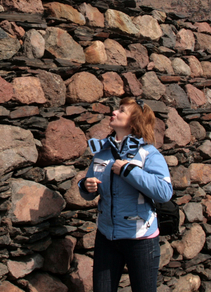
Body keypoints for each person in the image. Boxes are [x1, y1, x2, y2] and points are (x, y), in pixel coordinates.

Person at [78, 97, 173, 292]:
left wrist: (129, 171)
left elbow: (164, 192)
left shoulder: (149, 153)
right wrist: (85, 186)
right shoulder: (102, 153)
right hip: (106, 237)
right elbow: (89, 193)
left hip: (141, 239)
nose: (114, 112)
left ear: (134, 121)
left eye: (122, 111)